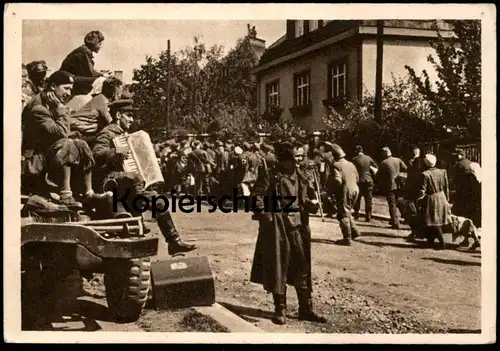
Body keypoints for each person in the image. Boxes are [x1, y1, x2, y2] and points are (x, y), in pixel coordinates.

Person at [91, 96, 197, 256]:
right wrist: (115, 151)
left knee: (160, 203)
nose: (132, 120)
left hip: (129, 185)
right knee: (134, 181)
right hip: (112, 183)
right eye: (129, 116)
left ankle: (174, 242)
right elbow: (96, 155)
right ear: (118, 116)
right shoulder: (107, 133)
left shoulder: (126, 135)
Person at [250, 141, 326, 325]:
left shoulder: (300, 174)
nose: (299, 160)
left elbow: (304, 198)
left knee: (302, 267)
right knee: (279, 267)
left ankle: (306, 309)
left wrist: (311, 203)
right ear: (285, 158)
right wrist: (266, 214)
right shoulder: (271, 175)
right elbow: (256, 198)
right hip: (279, 227)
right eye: (296, 157)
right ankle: (280, 310)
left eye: (301, 156)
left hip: (299, 227)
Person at [21, 70, 111, 206]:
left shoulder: (50, 102)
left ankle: (89, 193)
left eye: (70, 89)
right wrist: (61, 109)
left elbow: (61, 131)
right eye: (66, 88)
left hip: (47, 154)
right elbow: (61, 132)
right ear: (53, 86)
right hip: (34, 160)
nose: (69, 93)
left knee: (81, 144)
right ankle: (66, 195)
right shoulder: (38, 107)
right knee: (68, 144)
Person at [70, 76, 123, 142]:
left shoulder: (100, 98)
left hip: (79, 130)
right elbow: (112, 125)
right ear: (113, 93)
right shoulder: (103, 101)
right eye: (118, 94)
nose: (120, 96)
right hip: (75, 131)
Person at [417, 154, 451, 250]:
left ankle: (442, 242)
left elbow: (422, 190)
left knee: (433, 220)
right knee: (435, 220)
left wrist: (419, 200)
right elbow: (446, 187)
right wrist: (447, 199)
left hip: (432, 198)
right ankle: (430, 240)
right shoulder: (443, 172)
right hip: (442, 196)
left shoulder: (425, 174)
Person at [329, 144, 361, 245]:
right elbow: (357, 178)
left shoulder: (336, 165)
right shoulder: (351, 164)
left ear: (334, 156)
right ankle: (355, 231)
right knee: (348, 211)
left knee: (343, 214)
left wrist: (331, 190)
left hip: (345, 190)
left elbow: (337, 181)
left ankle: (347, 238)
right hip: (355, 189)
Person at [60, 30, 107, 96]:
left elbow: (90, 71)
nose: (100, 47)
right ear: (94, 43)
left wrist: (101, 74)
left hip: (70, 80)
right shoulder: (83, 53)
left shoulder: (83, 51)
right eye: (99, 44)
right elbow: (89, 73)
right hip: (69, 82)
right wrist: (102, 76)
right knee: (100, 81)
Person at [377, 147, 407, 229]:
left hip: (389, 186)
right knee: (400, 202)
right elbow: (405, 168)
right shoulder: (398, 160)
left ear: (384, 154)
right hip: (399, 185)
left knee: (392, 204)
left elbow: (378, 175)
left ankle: (394, 222)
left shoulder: (383, 163)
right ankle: (406, 218)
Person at [451, 149, 480, 227]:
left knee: (461, 206)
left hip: (462, 188)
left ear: (460, 155)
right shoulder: (469, 162)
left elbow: (455, 178)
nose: (455, 156)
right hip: (471, 188)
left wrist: (454, 186)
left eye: (457, 155)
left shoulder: (458, 164)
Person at [352, 145, 378, 222]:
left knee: (357, 198)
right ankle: (368, 215)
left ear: (356, 151)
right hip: (369, 180)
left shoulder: (355, 159)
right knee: (368, 199)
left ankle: (356, 214)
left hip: (359, 181)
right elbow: (376, 166)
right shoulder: (368, 158)